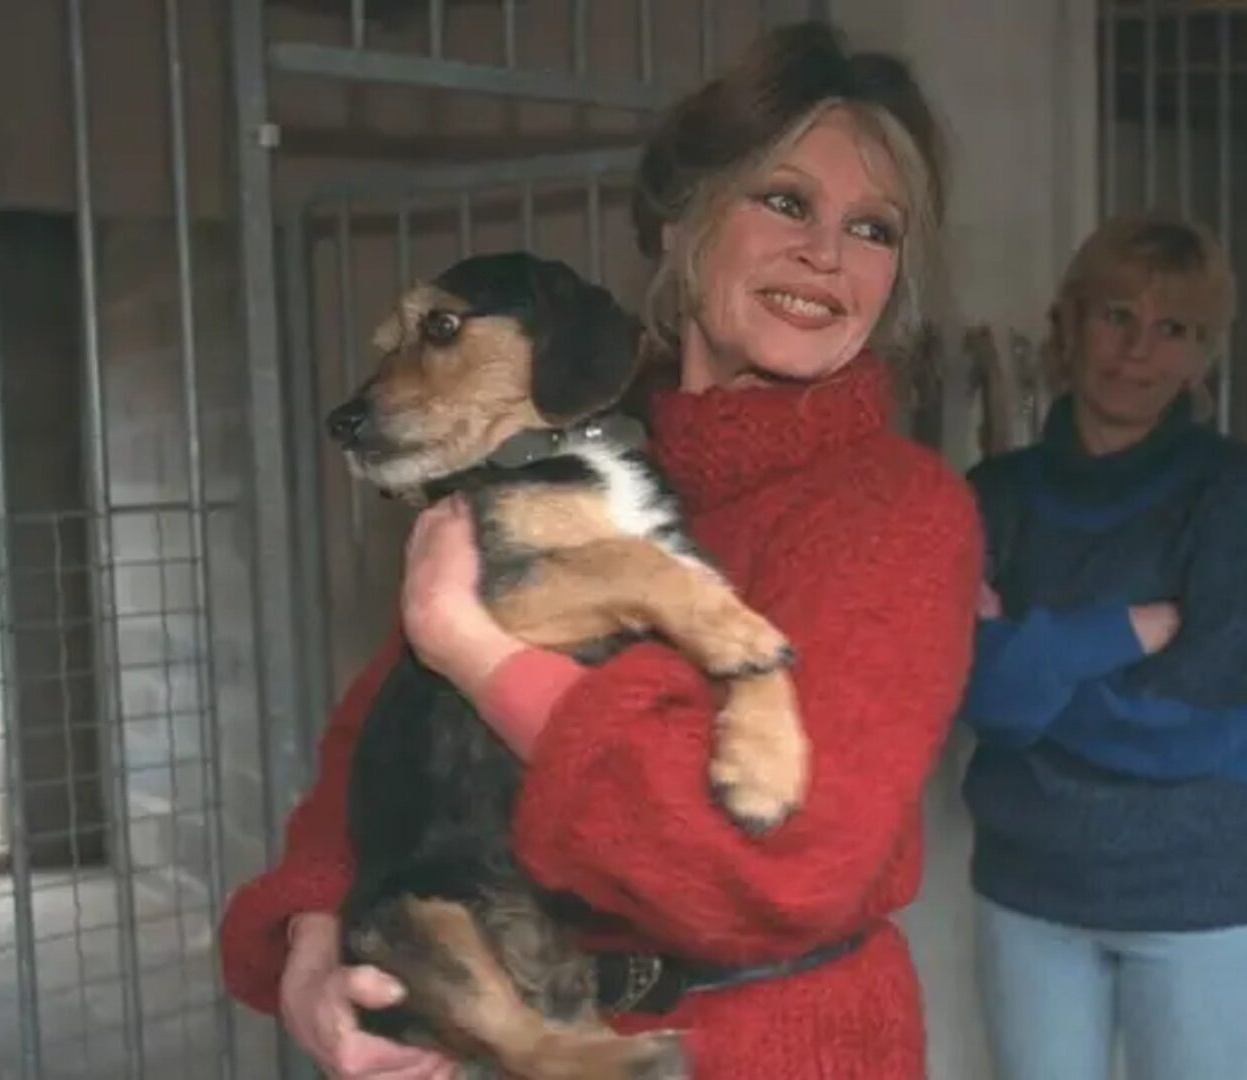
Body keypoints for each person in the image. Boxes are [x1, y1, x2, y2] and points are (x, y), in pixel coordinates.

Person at [220, 21, 981, 1080]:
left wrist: (485, 656)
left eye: (873, 228)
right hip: (536, 1035)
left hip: (782, 1046)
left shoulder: (895, 512)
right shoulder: (553, 450)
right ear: (682, 219)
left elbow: (783, 869)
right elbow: (385, 734)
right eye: (784, 200)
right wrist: (316, 943)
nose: (826, 253)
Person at [959, 212, 1244, 1080]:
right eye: (1118, 315)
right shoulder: (992, 496)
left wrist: (1028, 668)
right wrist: (1118, 634)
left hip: (1196, 895)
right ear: (1070, 322)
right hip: (1028, 892)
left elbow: (1203, 719)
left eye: (1175, 329)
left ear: (1202, 358)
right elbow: (977, 699)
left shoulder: (1228, 493)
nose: (1138, 350)